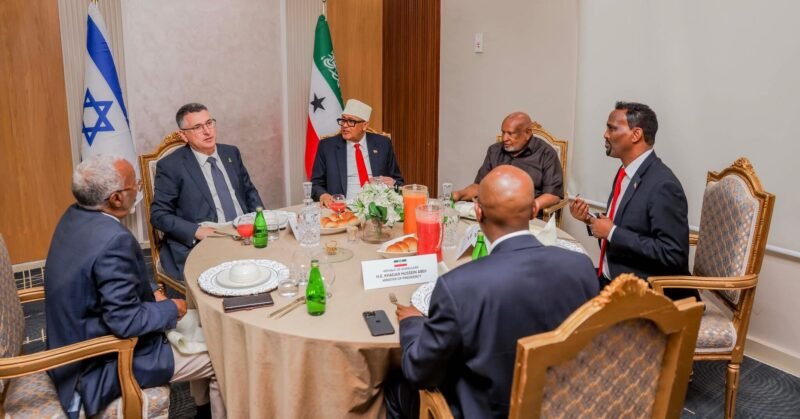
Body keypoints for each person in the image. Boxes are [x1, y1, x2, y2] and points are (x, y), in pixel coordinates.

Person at [385, 166, 599, 419]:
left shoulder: (458, 286)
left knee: (395, 385)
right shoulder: (581, 266)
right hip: (563, 405)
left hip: (490, 411)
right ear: (534, 210)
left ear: (478, 212)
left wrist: (412, 323)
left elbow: (419, 371)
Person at [45, 155, 225, 418]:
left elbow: (105, 276)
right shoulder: (113, 239)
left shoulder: (74, 216)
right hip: (100, 363)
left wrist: (152, 290)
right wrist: (171, 308)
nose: (139, 190)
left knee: (208, 326)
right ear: (116, 198)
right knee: (224, 355)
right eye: (135, 185)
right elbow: (125, 322)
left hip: (72, 344)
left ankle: (203, 410)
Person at [569, 101, 696, 300]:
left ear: (636, 135)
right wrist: (590, 220)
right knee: (560, 276)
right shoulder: (626, 172)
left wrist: (611, 232)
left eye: (612, 128)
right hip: (612, 278)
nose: (605, 134)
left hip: (642, 294)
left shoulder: (663, 185)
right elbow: (629, 225)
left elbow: (673, 255)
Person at [151, 103, 263, 279]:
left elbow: (249, 192)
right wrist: (197, 231)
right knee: (236, 279)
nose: (207, 131)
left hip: (244, 233)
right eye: (197, 127)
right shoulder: (171, 166)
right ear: (183, 135)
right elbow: (159, 215)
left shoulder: (231, 153)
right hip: (207, 240)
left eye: (209, 123)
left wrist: (260, 219)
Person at [452, 112, 563, 217]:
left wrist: (532, 206)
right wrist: (459, 194)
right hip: (492, 214)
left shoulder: (546, 153)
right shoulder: (494, 150)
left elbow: (553, 195)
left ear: (527, 133)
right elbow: (479, 186)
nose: (504, 138)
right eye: (503, 132)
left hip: (527, 217)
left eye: (510, 134)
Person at [310, 98, 404, 207]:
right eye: (343, 120)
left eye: (351, 121)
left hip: (378, 206)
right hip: (343, 207)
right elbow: (315, 184)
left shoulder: (383, 144)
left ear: (365, 125)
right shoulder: (327, 146)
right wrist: (323, 195)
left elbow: (398, 181)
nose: (344, 125)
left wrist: (393, 183)